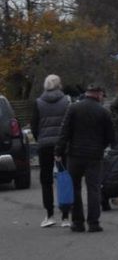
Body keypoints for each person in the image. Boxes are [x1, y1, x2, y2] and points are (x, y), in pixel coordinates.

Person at [55, 83, 115, 233]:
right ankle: (94, 222)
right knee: (93, 189)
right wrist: (101, 146)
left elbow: (65, 131)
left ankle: (77, 222)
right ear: (98, 94)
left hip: (74, 154)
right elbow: (111, 136)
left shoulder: (73, 108)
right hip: (95, 155)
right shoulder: (103, 112)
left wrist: (58, 150)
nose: (102, 98)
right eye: (102, 95)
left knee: (75, 188)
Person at [31, 74, 71, 227]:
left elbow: (34, 125)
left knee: (46, 180)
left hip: (45, 145)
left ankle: (49, 214)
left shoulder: (39, 102)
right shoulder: (66, 101)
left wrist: (39, 138)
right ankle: (66, 216)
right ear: (59, 85)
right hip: (62, 144)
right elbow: (69, 123)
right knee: (64, 178)